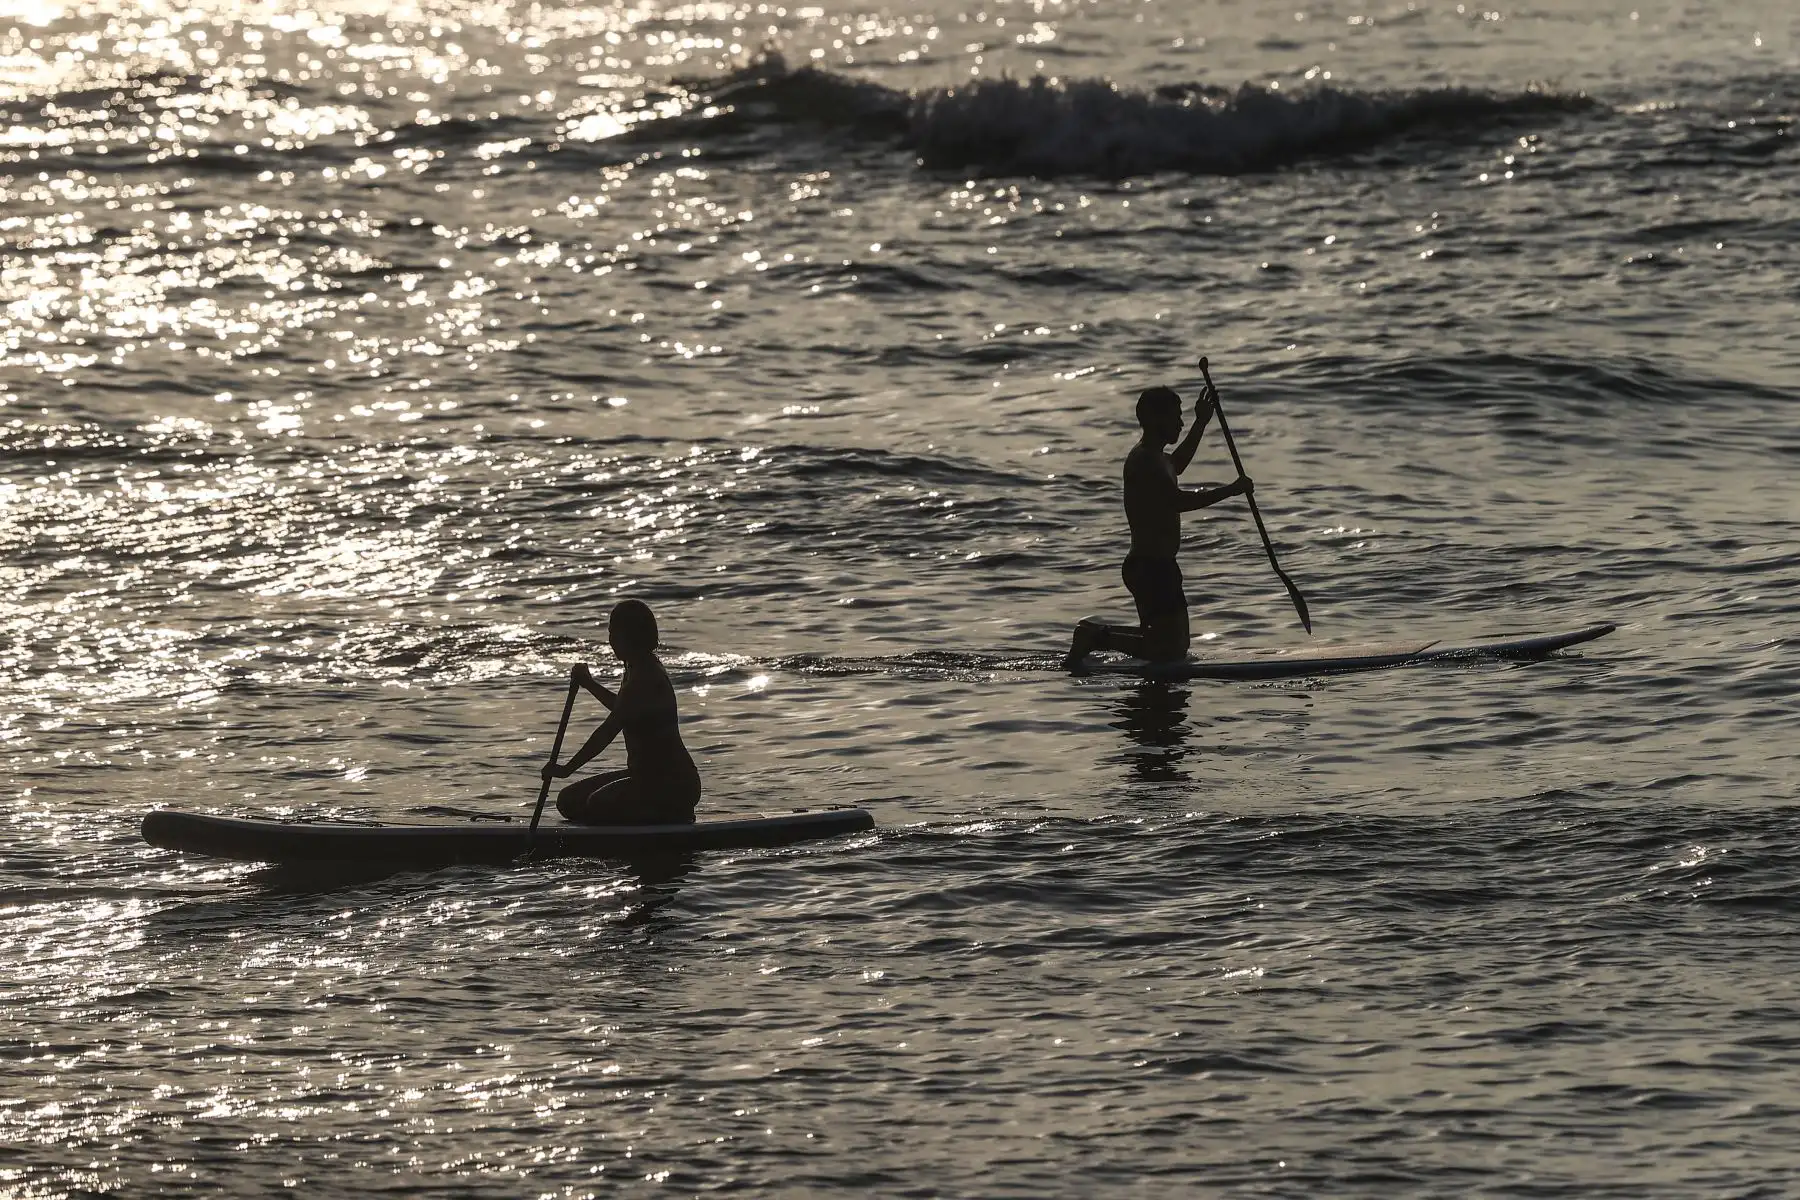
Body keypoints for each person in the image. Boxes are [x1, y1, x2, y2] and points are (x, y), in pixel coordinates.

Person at [1064, 383, 1253, 670]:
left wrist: (1202, 423)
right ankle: (1094, 638)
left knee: (1174, 644)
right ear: (1154, 419)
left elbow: (1178, 463)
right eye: (1175, 417)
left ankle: (1094, 634)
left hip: (1161, 565)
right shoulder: (1144, 460)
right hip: (1149, 567)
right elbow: (1176, 501)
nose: (1180, 422)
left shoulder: (1159, 458)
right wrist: (1230, 491)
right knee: (1167, 650)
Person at [542, 599, 702, 824]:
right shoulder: (632, 667)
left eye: (614, 634)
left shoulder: (646, 675)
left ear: (632, 636)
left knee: (598, 804)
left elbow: (607, 731)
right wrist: (588, 683)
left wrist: (567, 769)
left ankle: (674, 817)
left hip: (674, 784)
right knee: (569, 800)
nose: (610, 641)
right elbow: (624, 708)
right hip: (643, 778)